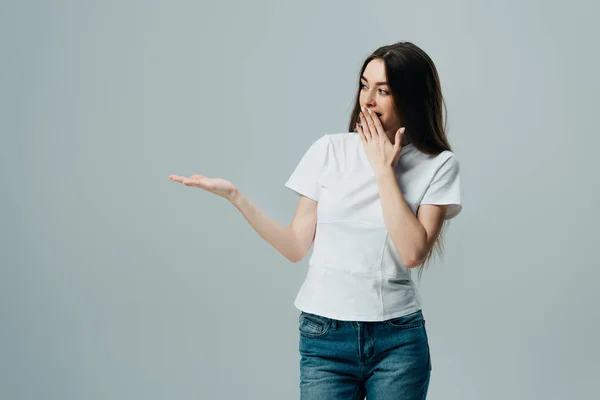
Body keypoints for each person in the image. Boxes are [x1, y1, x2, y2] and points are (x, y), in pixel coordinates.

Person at [169, 41, 462, 400]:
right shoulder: (329, 150)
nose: (367, 100)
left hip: (397, 341)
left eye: (383, 90)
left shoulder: (439, 164)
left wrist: (382, 169)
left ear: (412, 97)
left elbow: (413, 251)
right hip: (325, 337)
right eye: (364, 85)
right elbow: (295, 247)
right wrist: (236, 197)